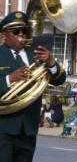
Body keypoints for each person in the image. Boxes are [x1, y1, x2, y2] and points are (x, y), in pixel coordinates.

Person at [0, 11, 66, 162]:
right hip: (3, 128)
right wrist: (10, 78)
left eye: (25, 30)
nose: (21, 34)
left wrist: (51, 62)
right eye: (16, 31)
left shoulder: (35, 53)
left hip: (29, 128)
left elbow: (60, 79)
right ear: (4, 34)